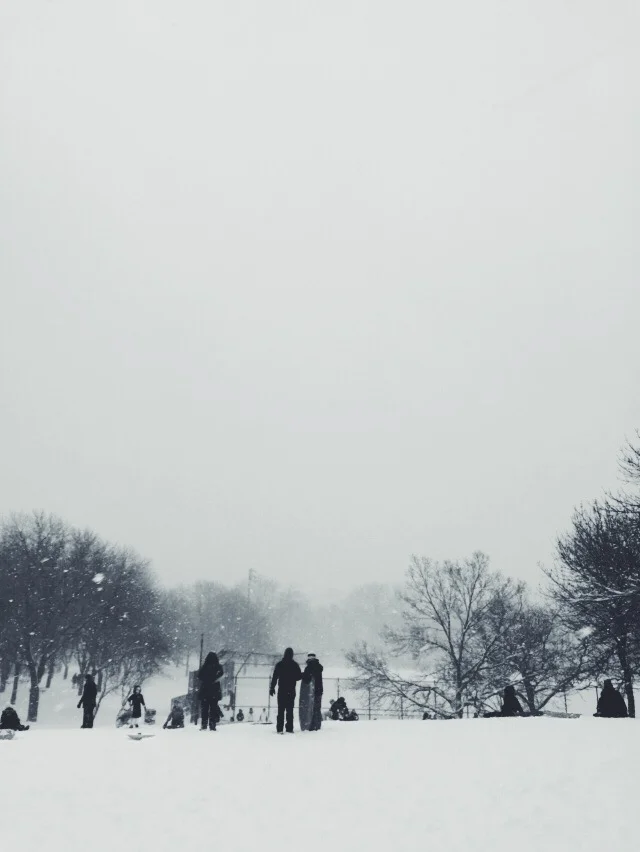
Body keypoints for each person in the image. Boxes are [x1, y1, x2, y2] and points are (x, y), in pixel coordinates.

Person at [270, 647, 302, 734]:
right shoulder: (295, 665)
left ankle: (279, 728)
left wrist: (272, 688)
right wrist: (294, 677)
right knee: (290, 710)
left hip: (282, 690)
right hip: (291, 690)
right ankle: (289, 728)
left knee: (281, 710)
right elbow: (299, 677)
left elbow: (275, 677)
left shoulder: (280, 664)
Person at [198, 652, 224, 731]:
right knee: (213, 709)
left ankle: (204, 725)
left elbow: (199, 676)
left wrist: (207, 680)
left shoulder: (204, 667)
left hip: (205, 691)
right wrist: (214, 679)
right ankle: (212, 725)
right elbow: (221, 674)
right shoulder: (218, 667)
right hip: (214, 691)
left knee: (204, 709)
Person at [300, 653, 324, 731]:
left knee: (311, 709)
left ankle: (312, 725)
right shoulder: (319, 667)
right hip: (319, 690)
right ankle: (317, 725)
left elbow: (307, 679)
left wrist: (301, 675)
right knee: (317, 708)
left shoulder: (308, 668)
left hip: (311, 691)